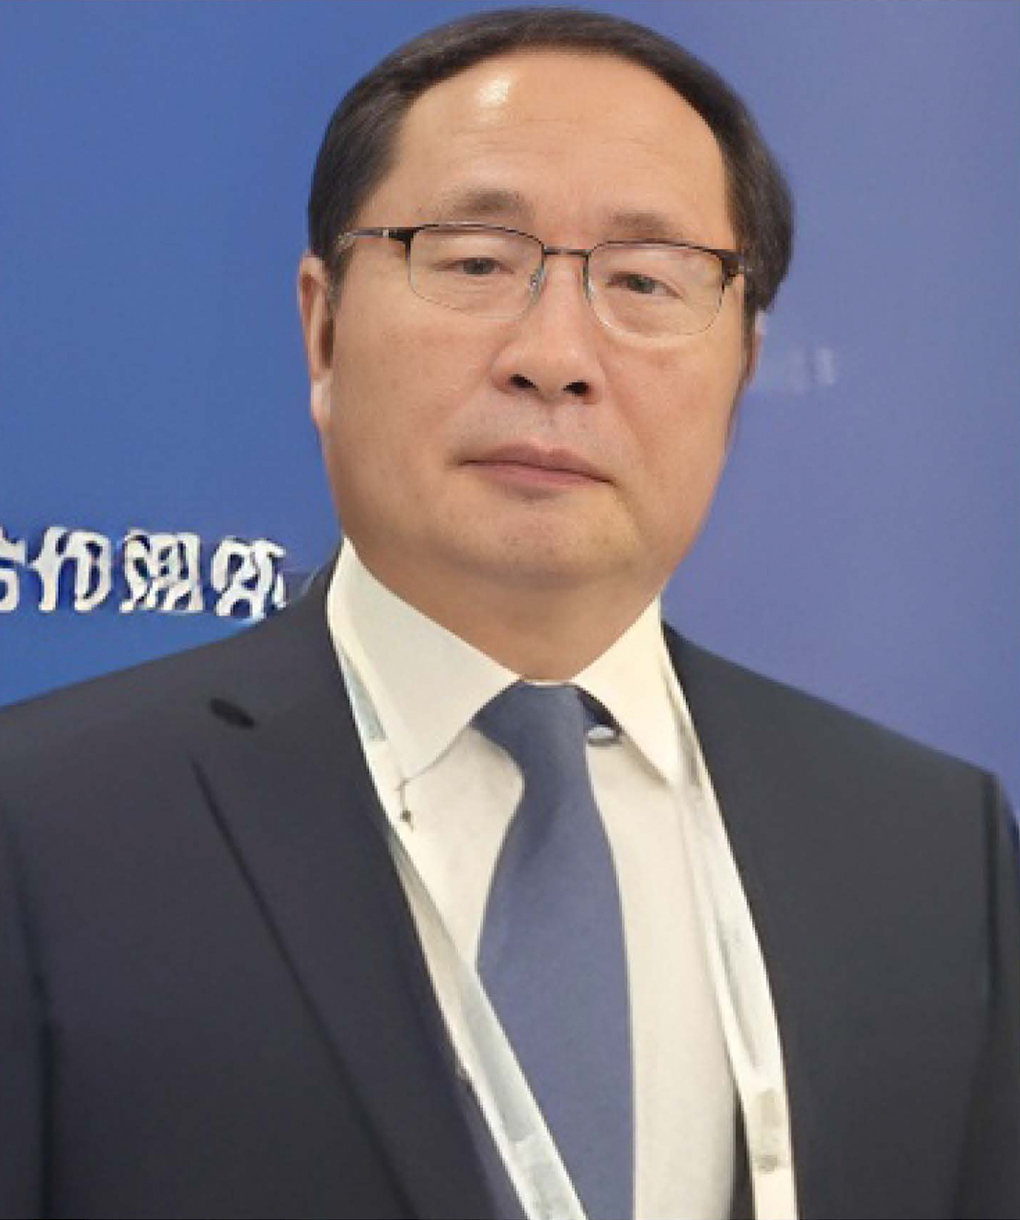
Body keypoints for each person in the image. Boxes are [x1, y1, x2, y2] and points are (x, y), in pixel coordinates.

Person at [0, 7, 1016, 1219]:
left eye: (644, 280)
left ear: (744, 365)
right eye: (477, 261)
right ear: (323, 328)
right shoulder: (44, 825)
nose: (555, 354)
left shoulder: (930, 854)